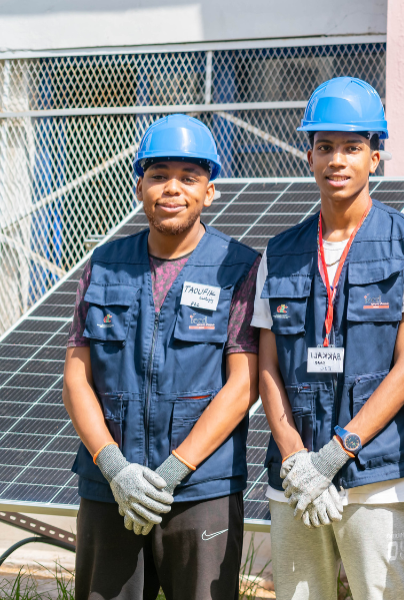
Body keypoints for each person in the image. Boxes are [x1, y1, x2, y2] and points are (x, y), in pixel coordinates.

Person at [255, 76, 404, 600]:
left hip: (380, 478)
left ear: (375, 157)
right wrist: (295, 456)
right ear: (308, 157)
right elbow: (268, 364)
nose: (338, 159)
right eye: (325, 147)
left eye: (353, 148)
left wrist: (337, 453)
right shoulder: (281, 250)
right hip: (294, 480)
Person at [62, 114, 260, 599]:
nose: (172, 189)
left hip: (202, 489)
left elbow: (242, 386)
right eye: (158, 176)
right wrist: (114, 467)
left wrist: (174, 469)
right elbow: (76, 379)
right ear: (140, 187)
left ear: (209, 191)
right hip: (110, 486)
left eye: (189, 178)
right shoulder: (104, 265)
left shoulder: (239, 268)